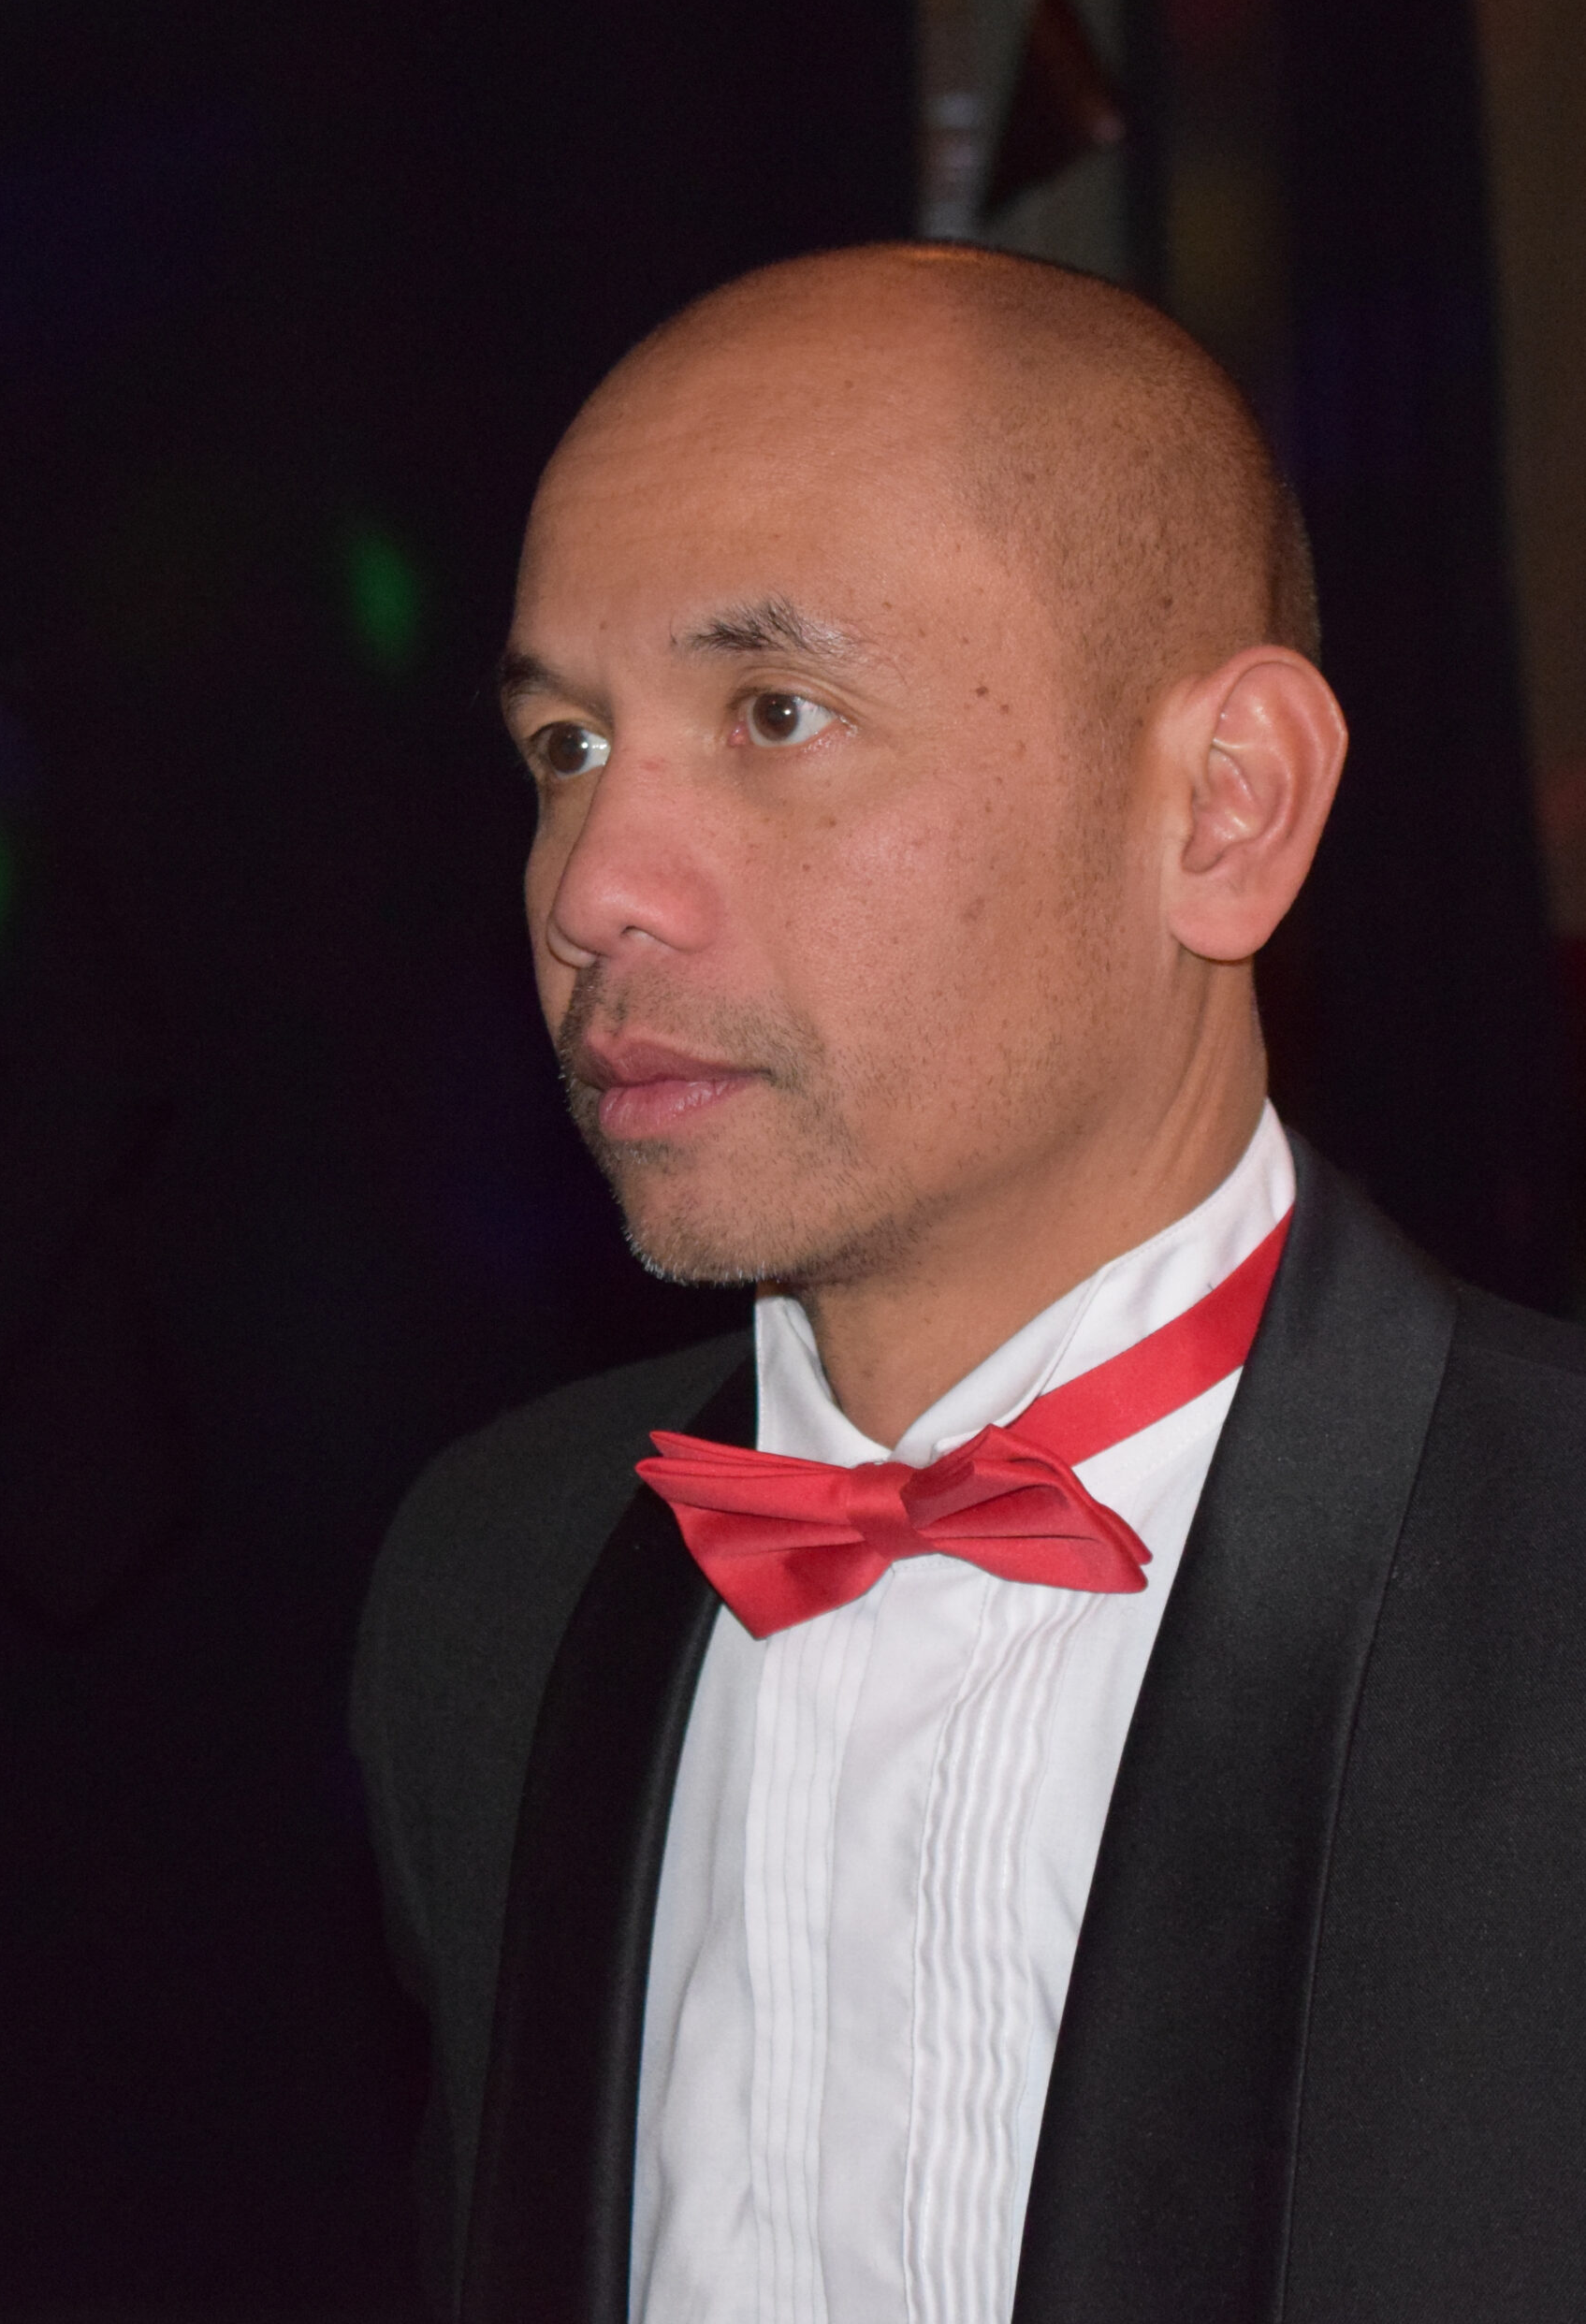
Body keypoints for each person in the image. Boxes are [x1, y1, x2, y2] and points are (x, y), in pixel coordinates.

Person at [351, 245, 1586, 2324]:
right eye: (566, 744)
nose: (594, 887)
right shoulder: (490, 1590)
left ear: (1225, 807)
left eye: (775, 713)